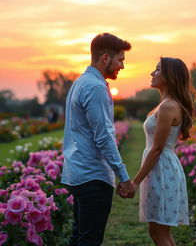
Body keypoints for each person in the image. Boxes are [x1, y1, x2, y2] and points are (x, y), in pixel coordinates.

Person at [61, 33, 135, 246]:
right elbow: (104, 138)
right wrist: (124, 176)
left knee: (79, 238)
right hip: (93, 176)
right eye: (120, 60)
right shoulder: (95, 87)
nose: (122, 66)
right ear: (105, 58)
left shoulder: (80, 83)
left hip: (79, 172)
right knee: (89, 241)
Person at [118, 57, 196, 246]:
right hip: (160, 168)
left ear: (170, 76)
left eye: (158, 69)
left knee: (159, 233)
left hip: (162, 170)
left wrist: (135, 183)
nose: (152, 73)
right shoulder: (166, 104)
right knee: (159, 232)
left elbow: (157, 149)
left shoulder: (169, 106)